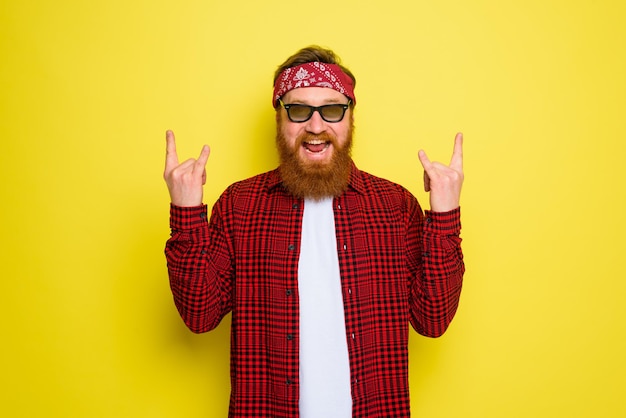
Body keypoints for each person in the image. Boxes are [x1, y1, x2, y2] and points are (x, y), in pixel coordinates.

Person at [163, 45, 465, 418]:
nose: (317, 126)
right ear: (280, 119)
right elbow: (199, 315)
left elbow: (432, 320)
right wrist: (186, 212)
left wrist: (445, 215)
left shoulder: (395, 207)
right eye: (299, 110)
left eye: (333, 110)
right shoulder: (240, 206)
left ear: (351, 119)